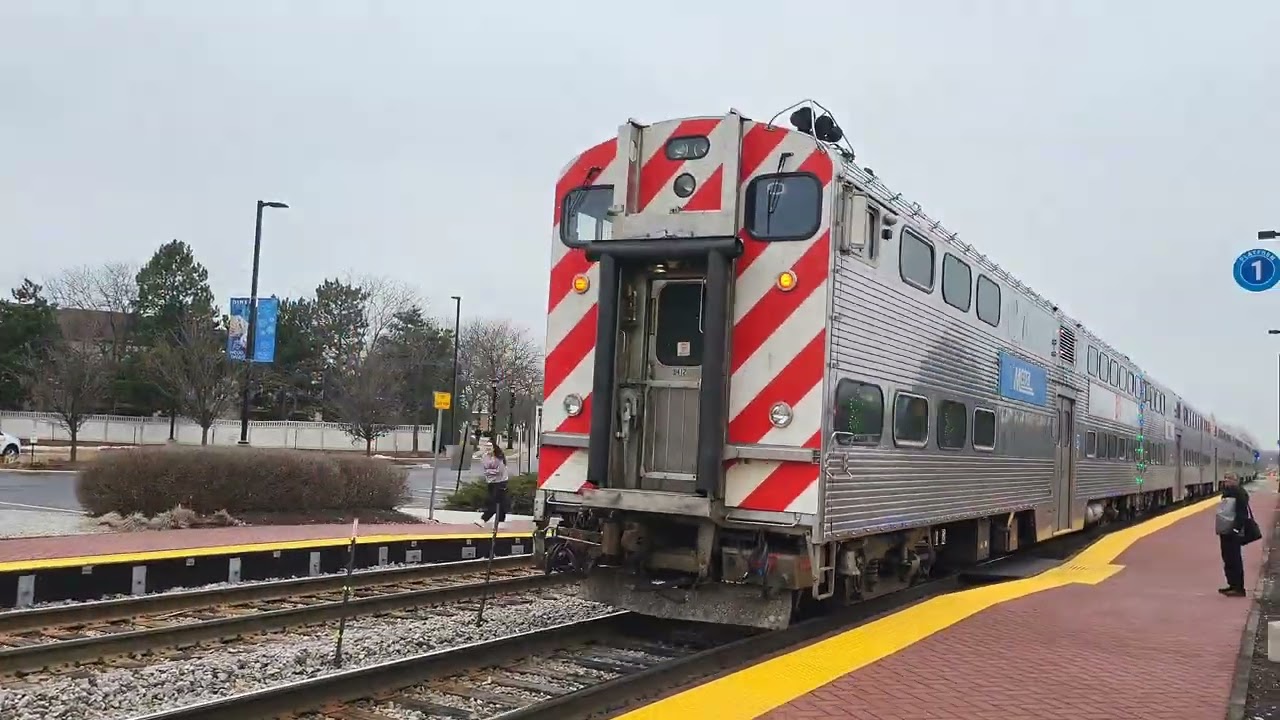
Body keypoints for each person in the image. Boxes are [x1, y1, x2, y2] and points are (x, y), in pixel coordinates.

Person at [1215, 474, 1251, 597]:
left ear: (1236, 480)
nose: (1226, 482)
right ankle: (1232, 585)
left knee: (1234, 559)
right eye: (1225, 479)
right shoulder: (1228, 493)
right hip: (1226, 531)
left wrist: (1236, 529)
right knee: (1228, 558)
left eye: (1229, 479)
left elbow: (1242, 514)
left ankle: (1238, 588)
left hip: (1234, 531)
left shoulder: (1239, 493)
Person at [478, 442, 509, 528]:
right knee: (497, 501)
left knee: (495, 501)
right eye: (486, 446)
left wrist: (490, 471)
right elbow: (485, 469)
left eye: (490, 446)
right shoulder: (485, 457)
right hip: (490, 482)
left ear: (494, 447)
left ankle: (484, 519)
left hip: (501, 482)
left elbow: (499, 471)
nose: (488, 448)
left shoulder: (499, 457)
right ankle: (501, 521)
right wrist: (491, 471)